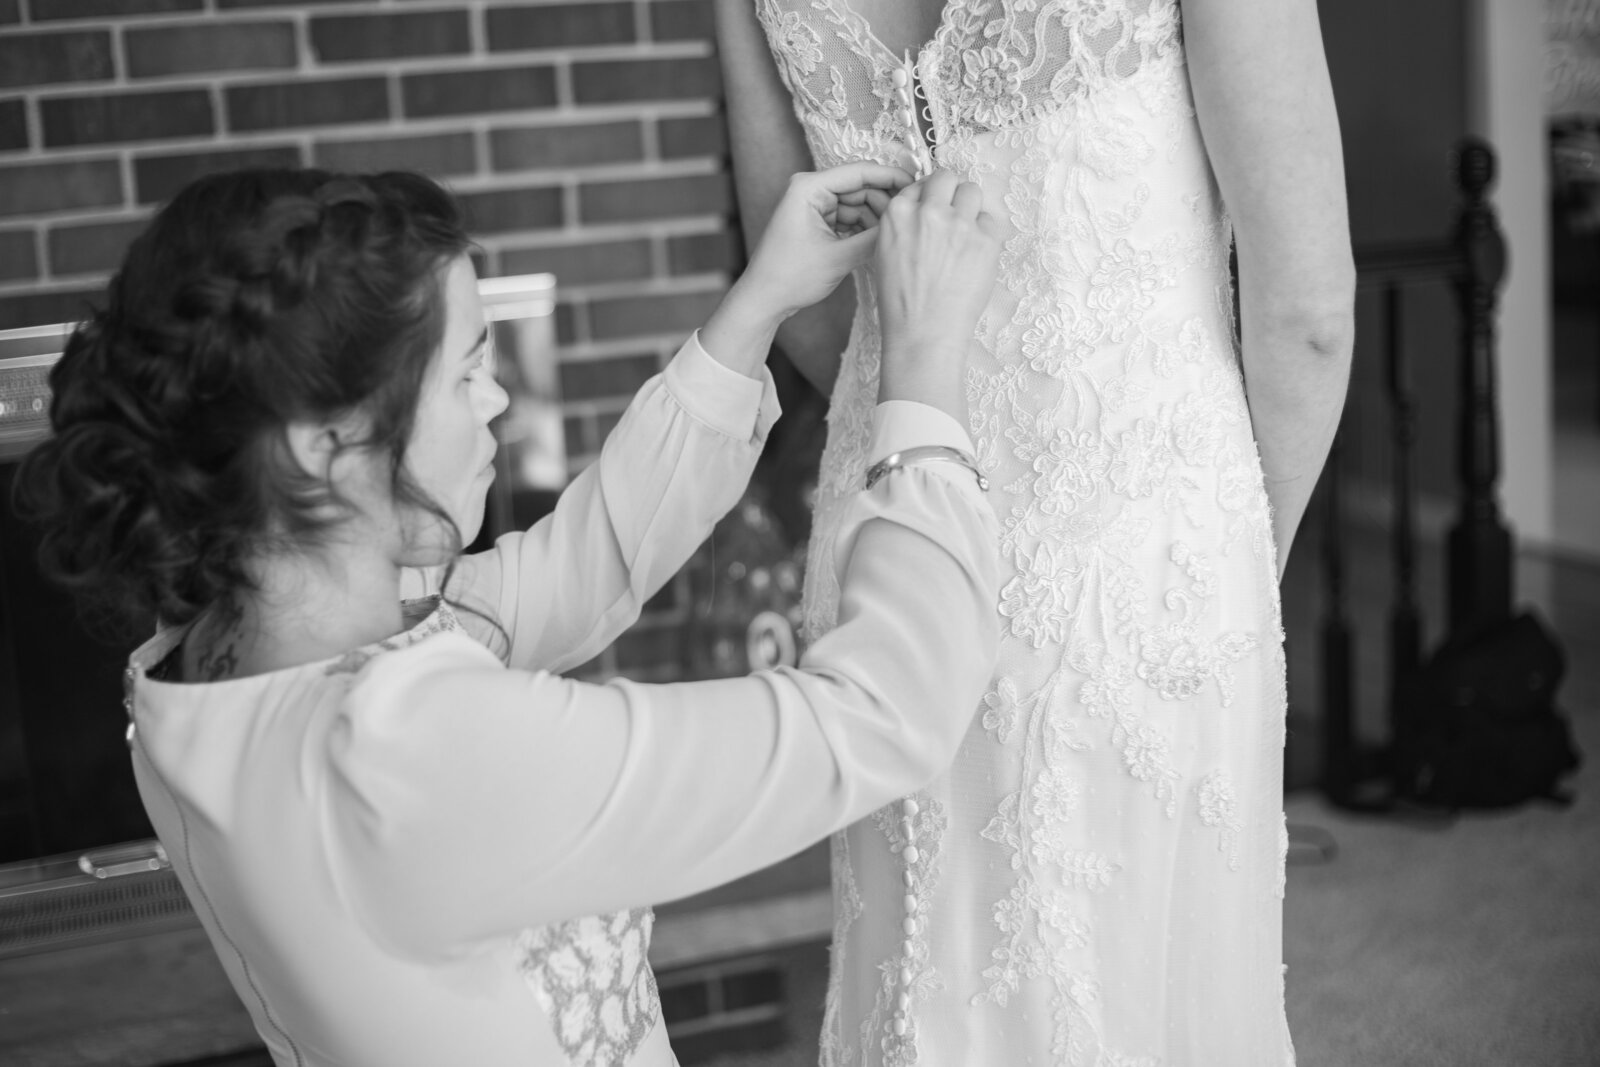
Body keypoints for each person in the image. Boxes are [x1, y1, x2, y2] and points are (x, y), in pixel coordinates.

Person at [16, 162, 1003, 1066]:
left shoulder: (211, 674)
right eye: (464, 370)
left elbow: (581, 561)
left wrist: (761, 302)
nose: (495, 400)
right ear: (326, 443)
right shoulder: (414, 753)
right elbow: (879, 713)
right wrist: (921, 367)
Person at [714, 0, 1356, 1062]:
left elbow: (813, 303)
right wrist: (1238, 558)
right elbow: (1307, 311)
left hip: (886, 551)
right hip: (1149, 559)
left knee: (922, 978)